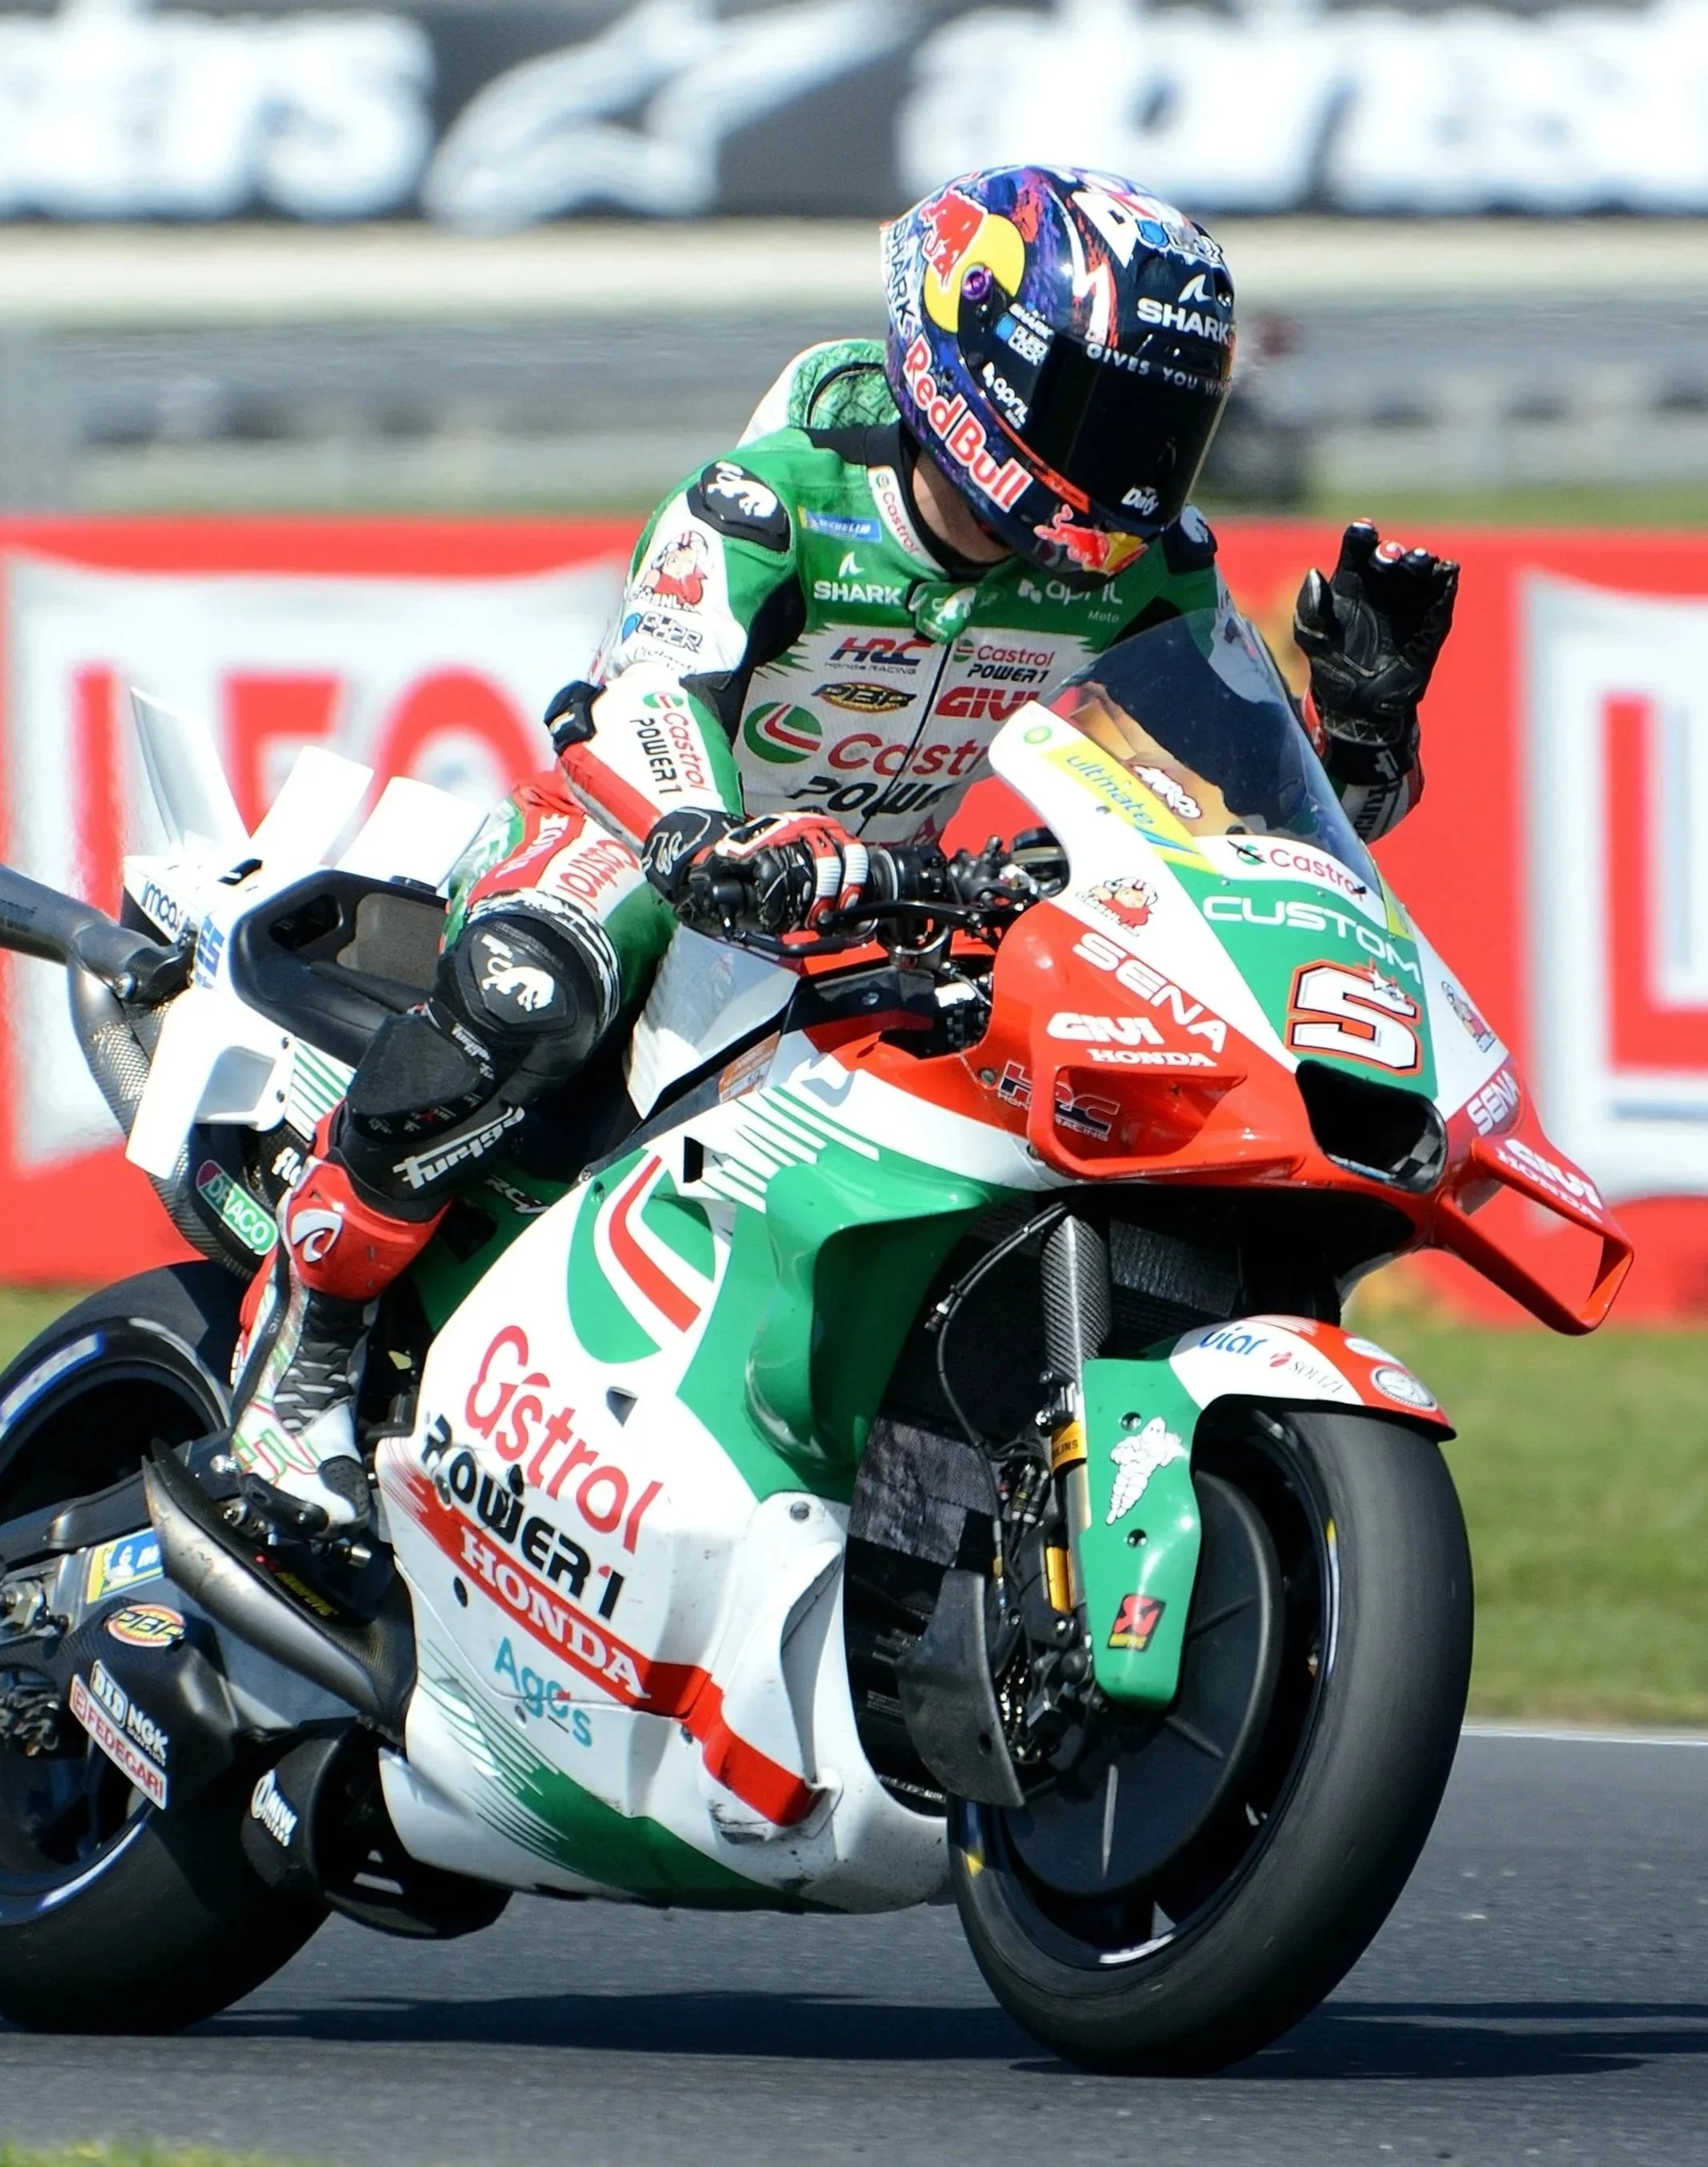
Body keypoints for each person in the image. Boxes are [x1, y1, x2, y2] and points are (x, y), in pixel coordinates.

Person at [225, 164, 1460, 1535]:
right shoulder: (776, 496)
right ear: (970, 354)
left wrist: (1359, 734)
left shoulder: (1148, 567)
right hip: (650, 841)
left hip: (888, 896)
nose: (1133, 463)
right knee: (536, 986)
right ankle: (305, 1346)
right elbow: (646, 692)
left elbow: (1254, 820)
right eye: (1101, 409)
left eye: (1165, 423)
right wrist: (706, 839)